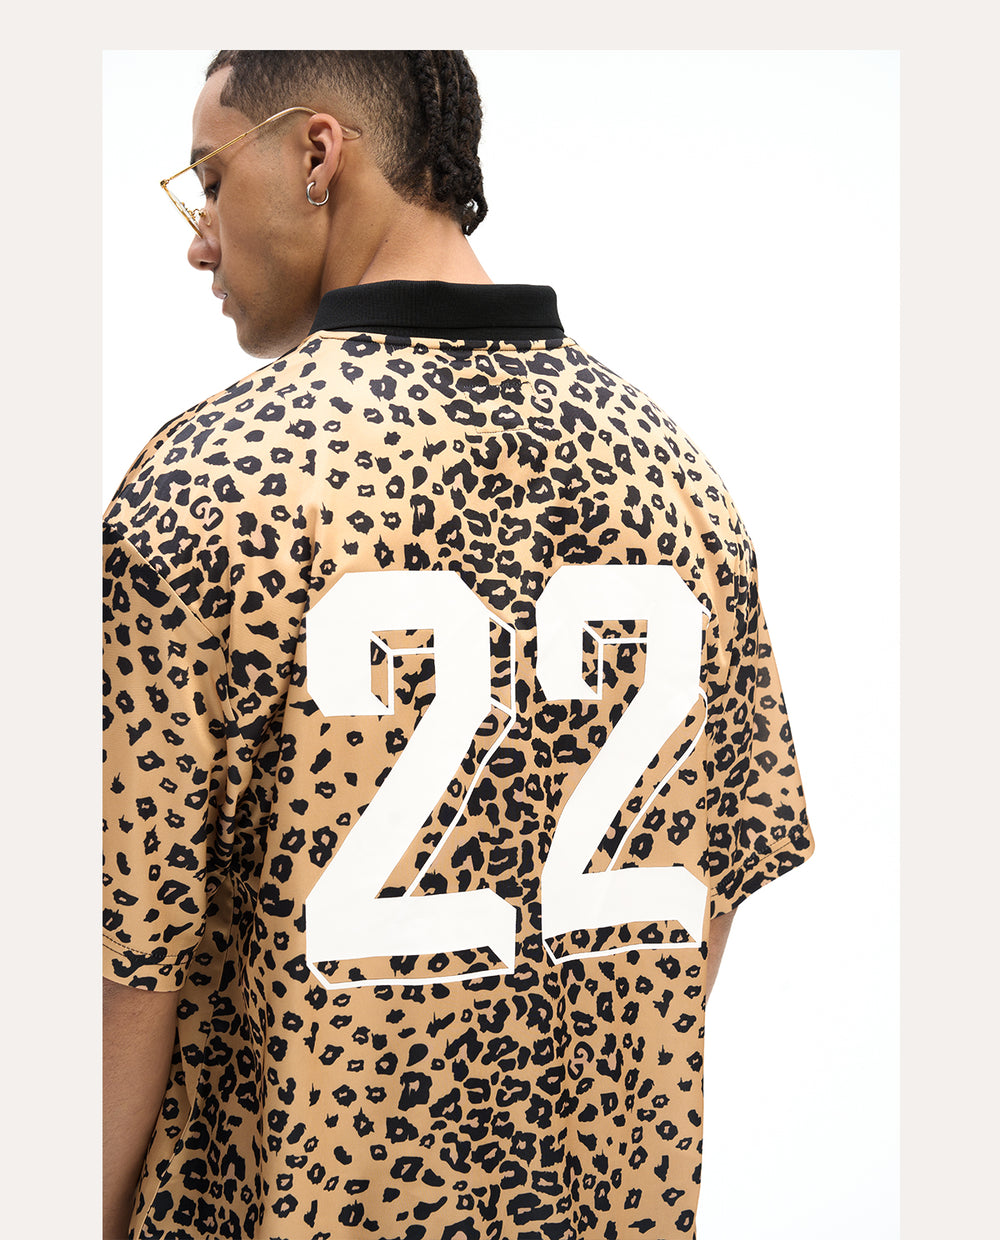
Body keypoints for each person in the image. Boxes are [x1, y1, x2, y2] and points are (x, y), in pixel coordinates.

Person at [103, 50, 814, 1240]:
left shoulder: (210, 485)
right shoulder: (679, 480)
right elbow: (717, 876)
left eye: (211, 180)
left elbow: (129, 957)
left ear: (317, 152)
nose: (199, 240)